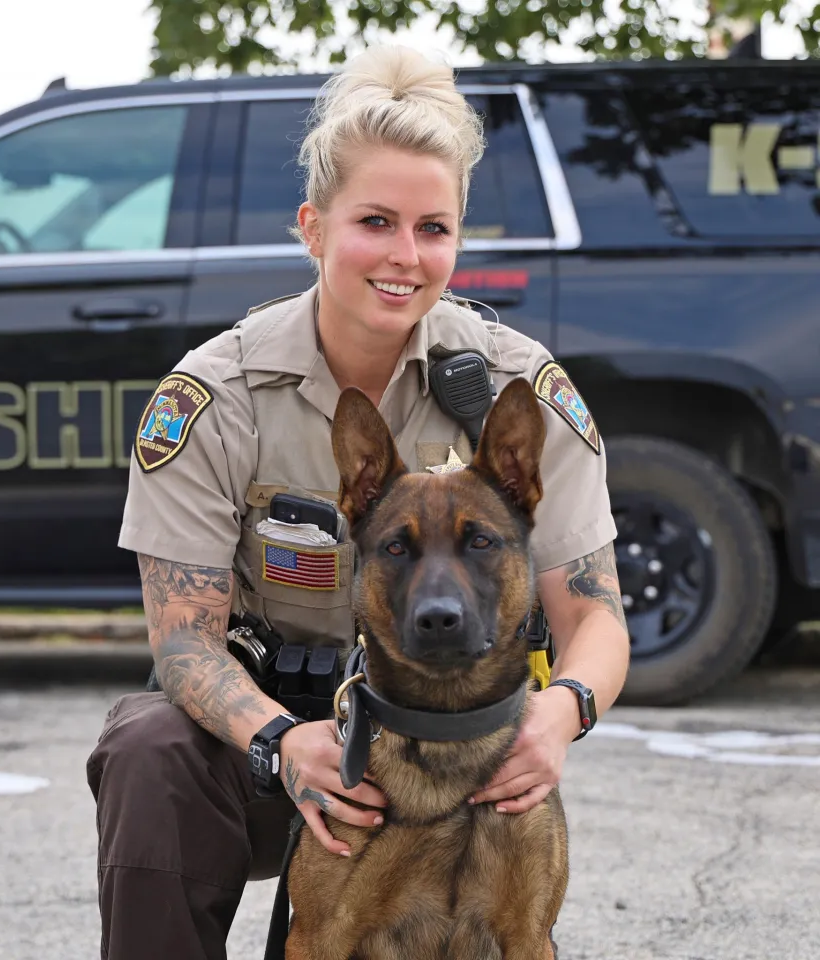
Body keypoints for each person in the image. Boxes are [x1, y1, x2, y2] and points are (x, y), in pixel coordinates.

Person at [86, 45, 631, 960]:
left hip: (459, 740)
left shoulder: (514, 387)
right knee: (148, 749)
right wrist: (281, 745)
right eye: (375, 221)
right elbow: (183, 644)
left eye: (434, 228)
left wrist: (560, 712)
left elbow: (598, 615)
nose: (405, 257)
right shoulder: (217, 396)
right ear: (313, 226)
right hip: (271, 744)